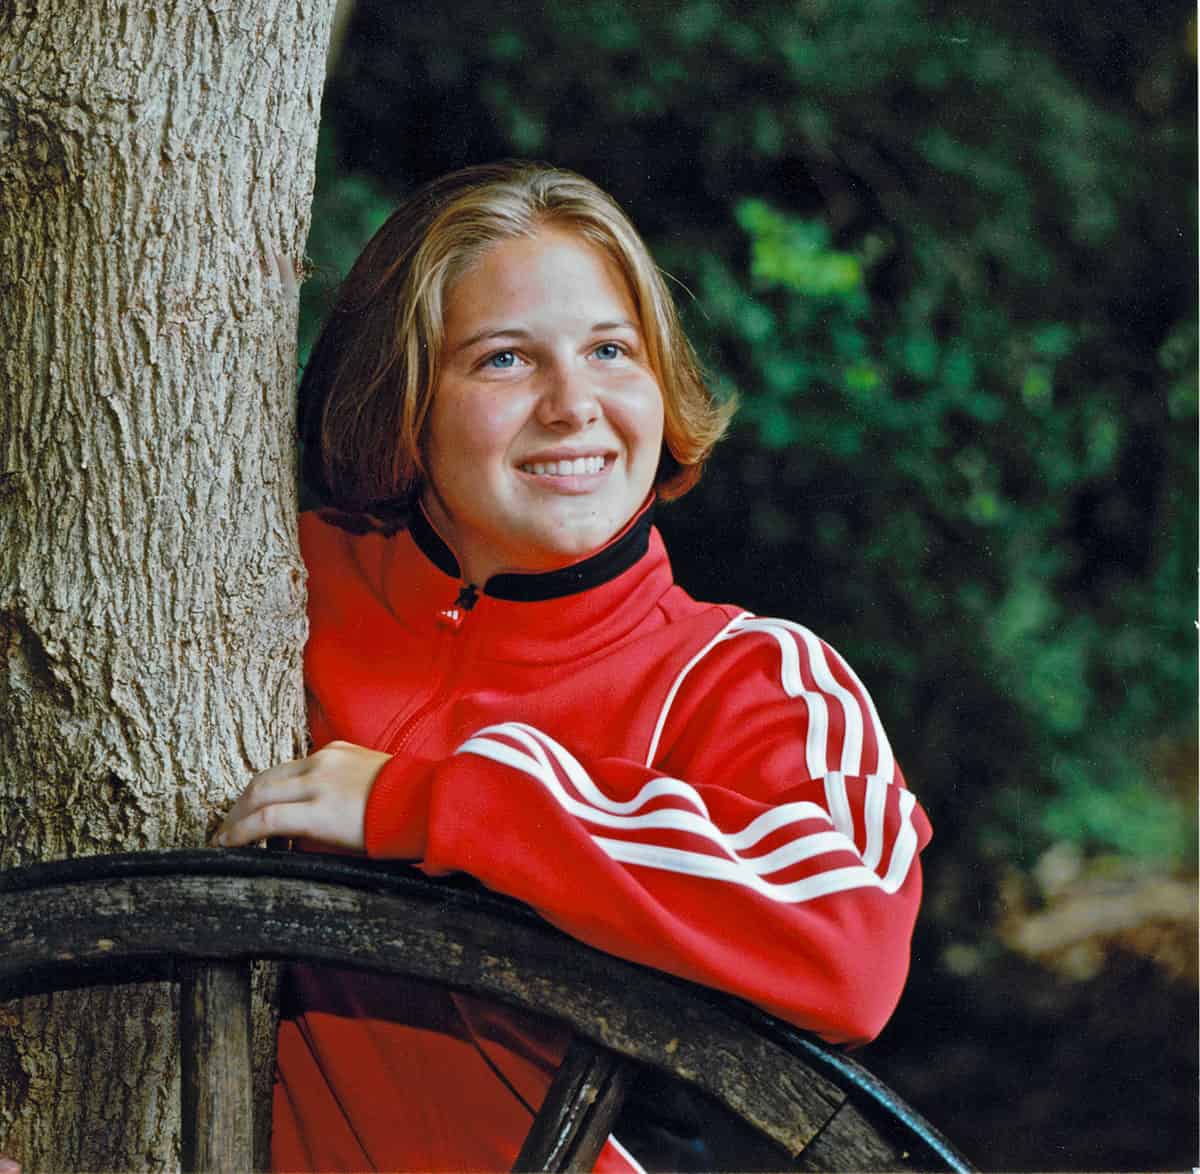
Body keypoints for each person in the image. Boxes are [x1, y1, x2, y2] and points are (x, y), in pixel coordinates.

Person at [215, 161, 933, 1173]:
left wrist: (426, 802)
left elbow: (852, 941)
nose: (572, 405)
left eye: (610, 350)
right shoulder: (266, 585)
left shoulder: (748, 676)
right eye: (504, 360)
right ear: (404, 396)